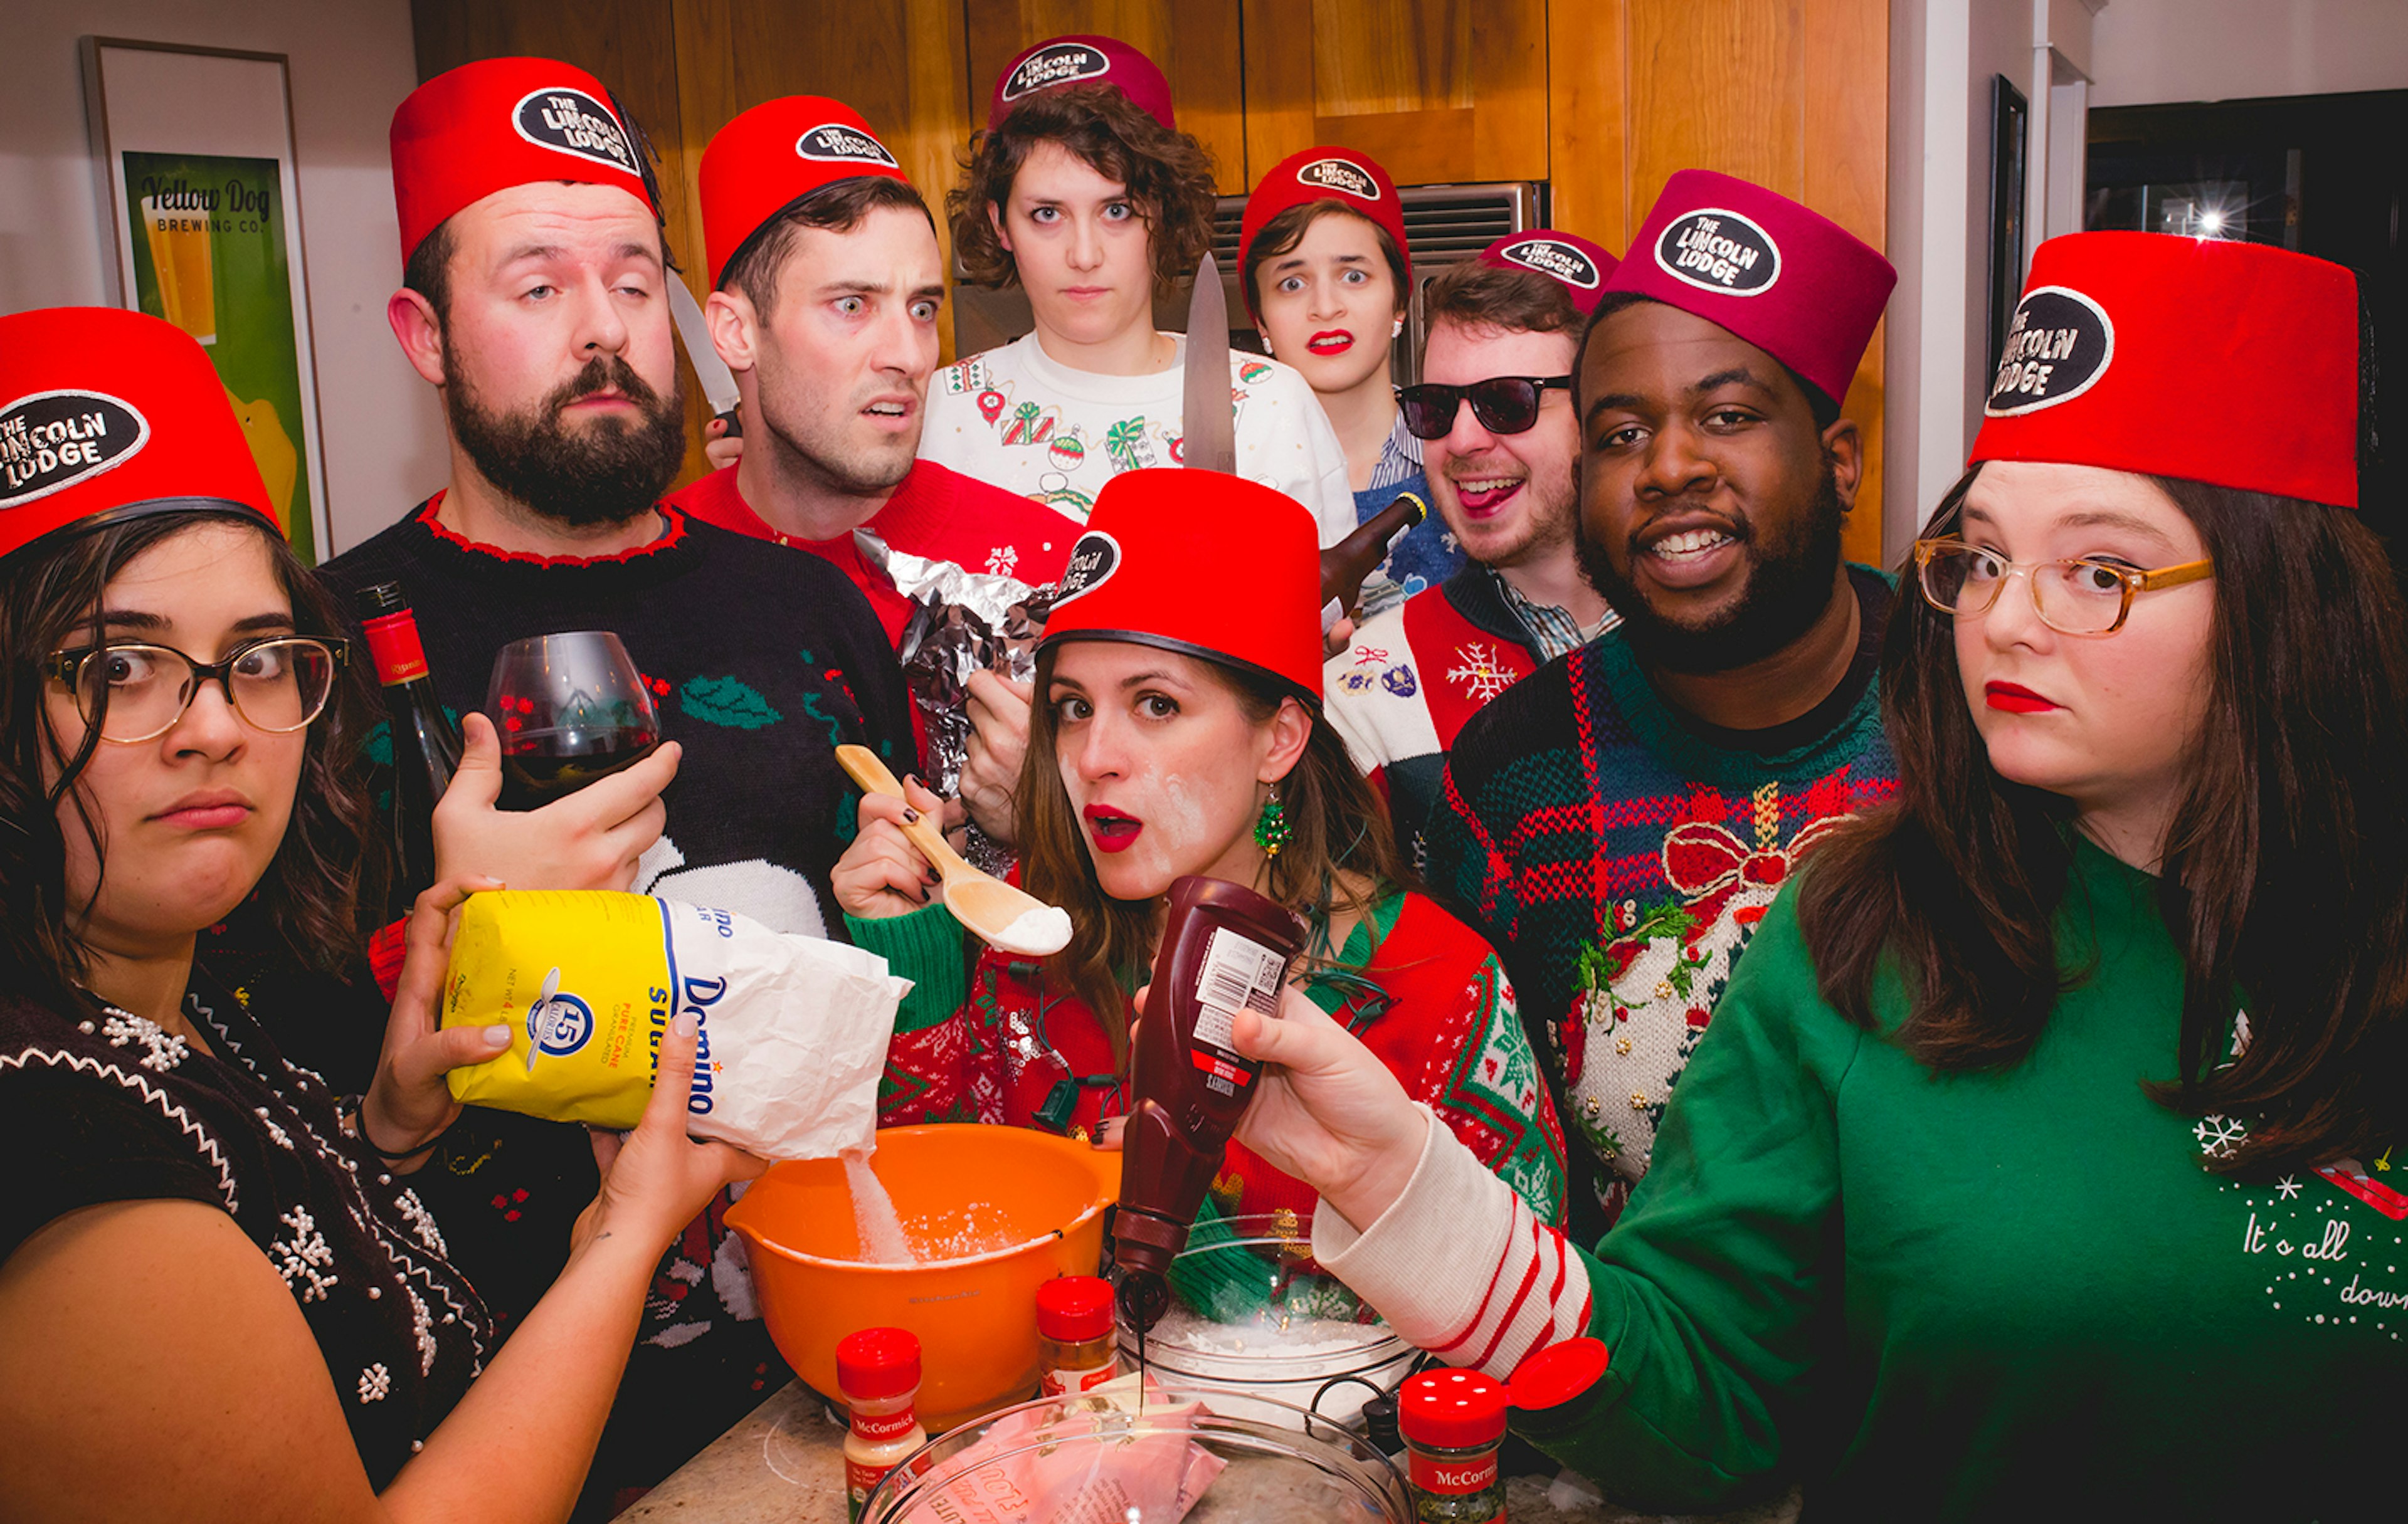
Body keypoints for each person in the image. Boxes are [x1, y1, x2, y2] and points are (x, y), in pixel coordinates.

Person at [1215, 231, 2408, 1518]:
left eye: (2099, 571)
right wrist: (1402, 1184)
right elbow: (1704, 1396)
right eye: (1987, 555)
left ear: (2285, 598)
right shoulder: (1863, 928)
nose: (2004, 617)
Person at [0, 305, 759, 1518]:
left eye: (255, 656)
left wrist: (386, 1131)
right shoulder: (57, 1154)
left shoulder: (185, 998)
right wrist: (625, 1237)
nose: (213, 725)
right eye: (119, 666)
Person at [321, 57, 914, 1503]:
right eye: (535, 287)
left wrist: (924, 907)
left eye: (634, 281)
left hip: (839, 1375)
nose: (603, 331)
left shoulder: (817, 605)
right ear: (423, 332)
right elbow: (265, 1095)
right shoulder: (313, 653)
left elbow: (913, 985)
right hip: (496, 1437)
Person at [830, 468, 1567, 1229]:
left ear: (1278, 740)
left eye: (1156, 704)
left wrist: (1198, 1213)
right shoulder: (1030, 947)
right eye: (1073, 708)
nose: (1092, 758)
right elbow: (926, 1240)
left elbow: (1528, 1313)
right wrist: (915, 958)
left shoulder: (1438, 986)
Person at [1423, 172, 1899, 1236]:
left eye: (1727, 417)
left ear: (1839, 465)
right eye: (1624, 434)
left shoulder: (1981, 710)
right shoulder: (1514, 774)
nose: (1670, 467)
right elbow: (1484, 1187)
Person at [668, 95, 1081, 649]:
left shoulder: (1048, 568)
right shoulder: (647, 572)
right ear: (737, 333)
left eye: (922, 309)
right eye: (852, 306)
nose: (910, 357)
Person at [921, 35, 1355, 540]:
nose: (1084, 256)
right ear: (1001, 225)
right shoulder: (947, 409)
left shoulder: (1272, 408)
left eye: (1117, 211)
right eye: (1046, 214)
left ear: (1165, 211)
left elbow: (1332, 604)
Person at [1323, 231, 1622, 866]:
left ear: (1605, 411)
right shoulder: (1364, 689)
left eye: (1506, 402)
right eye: (1436, 407)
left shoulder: (1713, 637)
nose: (1460, 441)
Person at [1240, 145, 1459, 612]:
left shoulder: (1464, 448)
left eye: (1354, 276)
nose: (1325, 306)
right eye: (1292, 283)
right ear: (1260, 321)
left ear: (1400, 299)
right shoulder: (1227, 476)